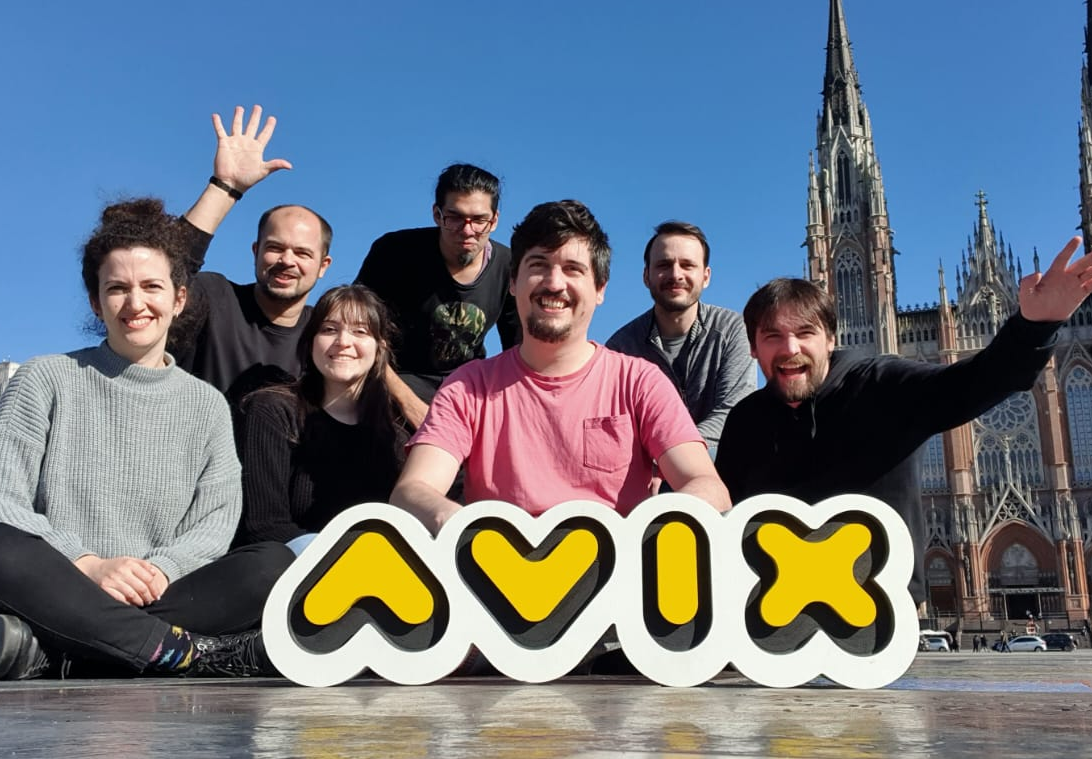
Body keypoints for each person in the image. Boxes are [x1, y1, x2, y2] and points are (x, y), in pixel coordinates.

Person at [0, 198, 294, 681]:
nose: (135, 304)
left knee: (272, 563)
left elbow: (215, 522)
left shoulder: (208, 404)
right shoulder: (46, 377)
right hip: (45, 588)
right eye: (117, 289)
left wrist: (159, 570)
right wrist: (88, 566)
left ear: (179, 298)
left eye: (152, 286)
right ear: (95, 301)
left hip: (154, 592)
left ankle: (59, 655)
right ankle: (192, 655)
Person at [714, 238, 1092, 598]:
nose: (790, 348)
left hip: (873, 609)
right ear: (753, 349)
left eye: (805, 333)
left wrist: (1035, 327)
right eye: (772, 337)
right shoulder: (746, 419)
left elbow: (974, 385)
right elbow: (723, 516)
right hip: (773, 607)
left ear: (831, 339)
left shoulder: (881, 384)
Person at [392, 200, 730, 534]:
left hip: (617, 578)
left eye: (573, 269)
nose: (554, 283)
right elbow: (412, 491)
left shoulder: (639, 382)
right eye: (538, 265)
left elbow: (708, 487)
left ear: (600, 289)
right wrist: (453, 521)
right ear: (513, 283)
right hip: (497, 574)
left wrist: (655, 531)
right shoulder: (468, 386)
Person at [168, 106, 334, 399]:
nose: (287, 261)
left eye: (303, 253)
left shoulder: (325, 334)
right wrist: (225, 187)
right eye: (275, 248)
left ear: (323, 265)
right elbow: (161, 271)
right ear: (256, 251)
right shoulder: (214, 297)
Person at [233, 285, 409, 554]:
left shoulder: (395, 440)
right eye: (329, 329)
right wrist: (342, 563)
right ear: (311, 341)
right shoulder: (271, 411)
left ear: (379, 349)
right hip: (287, 574)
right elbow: (264, 527)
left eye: (360, 331)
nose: (343, 341)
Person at [355, 163, 522, 427]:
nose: (467, 230)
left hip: (469, 387)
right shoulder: (393, 253)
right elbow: (356, 331)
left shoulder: (510, 266)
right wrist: (408, 403)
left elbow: (519, 350)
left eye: (479, 220)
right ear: (436, 214)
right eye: (455, 217)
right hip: (395, 379)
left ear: (495, 220)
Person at [606, 221, 757, 456]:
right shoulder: (621, 348)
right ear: (646, 276)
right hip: (648, 474)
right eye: (664, 265)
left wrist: (672, 458)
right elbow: (620, 427)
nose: (676, 274)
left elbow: (733, 412)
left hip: (718, 465)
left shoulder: (732, 329)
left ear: (706, 276)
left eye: (687, 265)